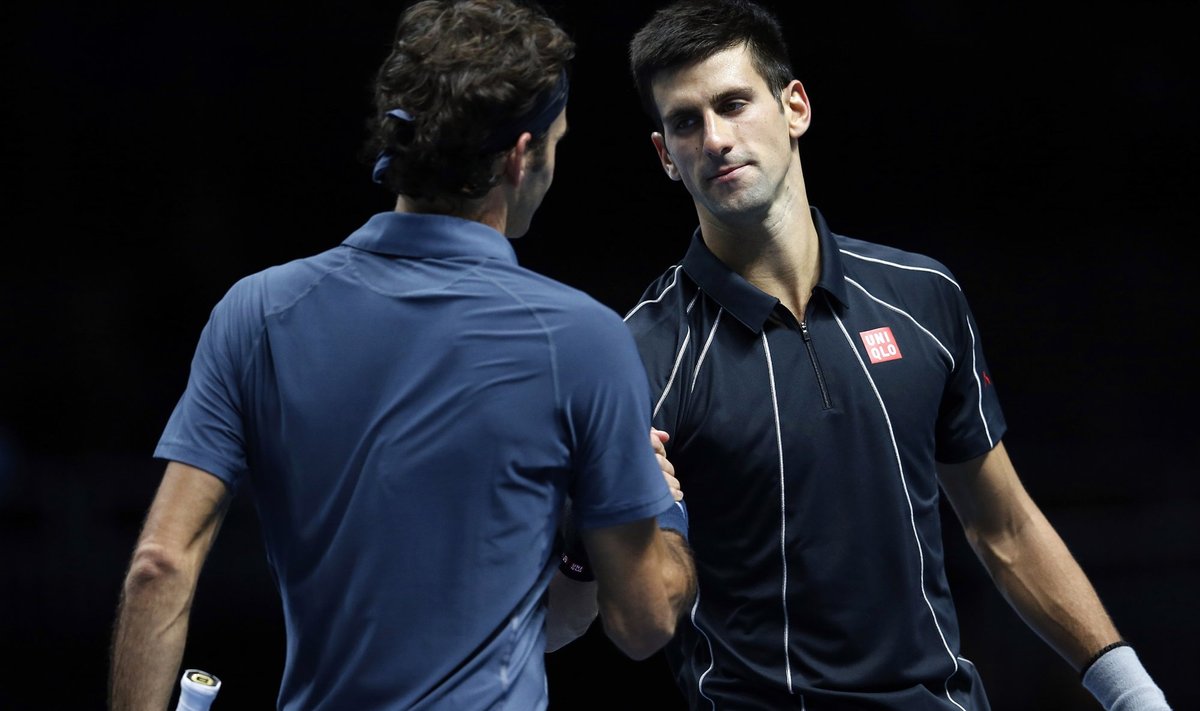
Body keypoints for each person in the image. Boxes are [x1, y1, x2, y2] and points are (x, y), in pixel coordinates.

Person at [107, 1, 696, 709]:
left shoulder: (256, 313)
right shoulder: (586, 340)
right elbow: (644, 620)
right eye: (557, 143)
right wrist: (665, 508)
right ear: (519, 155)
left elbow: (159, 563)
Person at [614, 1, 1174, 709]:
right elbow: (645, 617)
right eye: (687, 122)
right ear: (665, 155)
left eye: (733, 103)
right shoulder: (639, 355)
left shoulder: (925, 297)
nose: (717, 138)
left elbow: (1003, 525)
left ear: (795, 107)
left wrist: (1133, 693)